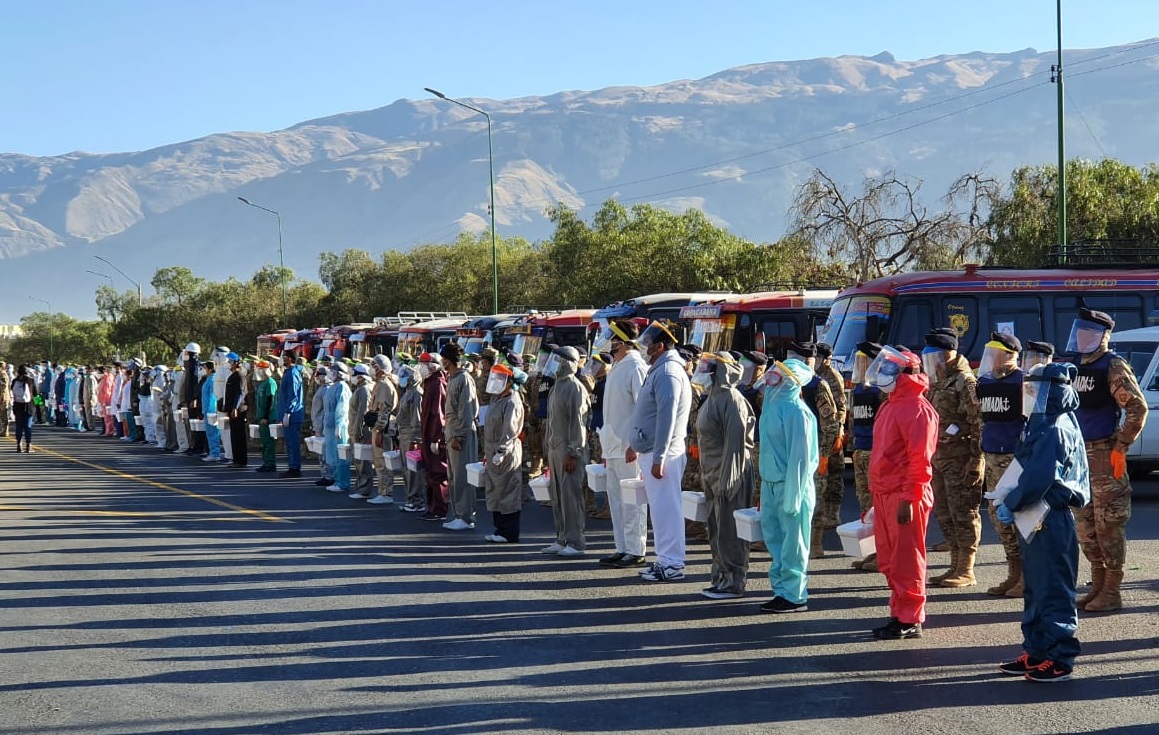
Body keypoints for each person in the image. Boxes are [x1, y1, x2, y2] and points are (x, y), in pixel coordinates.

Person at [994, 362, 1090, 682]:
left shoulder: (1054, 427)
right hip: (1033, 512)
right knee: (1036, 586)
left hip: (1049, 513)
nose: (1029, 395)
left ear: (1051, 392)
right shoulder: (1041, 424)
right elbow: (1025, 465)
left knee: (1054, 587)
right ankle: (1037, 650)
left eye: (1034, 389)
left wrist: (1010, 500)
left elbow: (1039, 477)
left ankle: (1060, 656)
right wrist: (1010, 495)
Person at [1067, 308, 1148, 613]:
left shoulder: (1112, 365)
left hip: (1104, 455)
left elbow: (1137, 408)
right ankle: (1097, 584)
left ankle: (1112, 590)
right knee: (1085, 526)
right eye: (1079, 331)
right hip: (1079, 456)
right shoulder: (1074, 365)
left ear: (1103, 336)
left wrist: (1120, 447)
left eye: (1088, 332)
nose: (1080, 337)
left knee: (1109, 524)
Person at [867, 346, 938, 640]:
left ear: (903, 372)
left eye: (888, 367)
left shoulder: (918, 410)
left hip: (904, 495)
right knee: (890, 559)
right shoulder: (890, 404)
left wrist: (909, 498)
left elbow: (919, 460)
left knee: (907, 560)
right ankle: (899, 613)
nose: (882, 372)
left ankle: (910, 618)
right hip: (886, 493)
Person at [628, 321, 693, 582]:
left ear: (660, 346)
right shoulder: (660, 369)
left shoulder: (668, 373)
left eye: (648, 346)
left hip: (663, 452)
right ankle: (665, 559)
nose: (645, 350)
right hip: (654, 449)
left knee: (668, 509)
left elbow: (667, 418)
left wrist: (659, 457)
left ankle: (673, 564)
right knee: (660, 509)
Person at [923, 327, 984, 588]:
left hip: (960, 459)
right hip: (938, 457)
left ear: (948, 354)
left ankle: (966, 569)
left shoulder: (964, 381)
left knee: (964, 513)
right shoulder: (939, 380)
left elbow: (978, 422)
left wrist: (976, 459)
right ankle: (954, 565)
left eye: (934, 357)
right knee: (945, 513)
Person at [757, 358, 819, 612]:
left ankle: (795, 596)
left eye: (779, 374)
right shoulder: (772, 405)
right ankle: (781, 591)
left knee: (794, 543)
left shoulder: (797, 411)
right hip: (771, 482)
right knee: (775, 541)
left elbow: (801, 459)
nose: (772, 377)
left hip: (791, 486)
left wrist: (793, 495)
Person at [693, 352, 757, 600]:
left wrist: (728, 480)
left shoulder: (732, 399)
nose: (703, 370)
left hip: (730, 474)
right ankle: (720, 577)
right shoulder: (711, 398)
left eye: (709, 366)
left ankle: (734, 581)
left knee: (730, 531)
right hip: (712, 474)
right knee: (716, 530)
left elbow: (736, 445)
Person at [594, 320, 650, 568]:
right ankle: (622, 547)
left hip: (628, 446)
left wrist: (634, 443)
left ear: (623, 342)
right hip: (612, 444)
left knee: (632, 501)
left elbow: (643, 407)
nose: (610, 342)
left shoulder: (636, 366)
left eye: (614, 338)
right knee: (616, 500)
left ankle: (636, 549)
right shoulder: (617, 364)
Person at [976, 331, 1027, 596]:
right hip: (992, 455)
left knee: (1018, 515)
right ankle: (1013, 573)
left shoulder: (1022, 381)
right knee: (999, 517)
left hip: (1013, 458)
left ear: (1009, 356)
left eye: (995, 355)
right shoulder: (984, 382)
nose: (990, 360)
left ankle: (1026, 578)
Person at [788, 342, 840, 559]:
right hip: (795, 447)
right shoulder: (790, 383)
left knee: (816, 495)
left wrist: (825, 454)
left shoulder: (818, 385)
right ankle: (799, 539)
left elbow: (831, 422)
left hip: (816, 447)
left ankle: (815, 543)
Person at [541, 345, 591, 556]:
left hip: (569, 452)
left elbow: (578, 424)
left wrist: (573, 452)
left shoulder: (574, 387)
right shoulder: (555, 387)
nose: (554, 363)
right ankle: (562, 538)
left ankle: (575, 541)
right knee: (558, 496)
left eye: (558, 359)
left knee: (571, 497)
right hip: (555, 450)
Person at [848, 342, 884, 572]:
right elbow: (854, 419)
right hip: (860, 449)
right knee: (864, 504)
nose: (861, 366)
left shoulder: (880, 389)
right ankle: (871, 552)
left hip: (874, 450)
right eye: (859, 362)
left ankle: (882, 552)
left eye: (865, 361)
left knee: (876, 506)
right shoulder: (858, 389)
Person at [483, 363, 525, 543]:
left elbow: (510, 429)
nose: (497, 381)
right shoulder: (497, 398)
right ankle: (499, 529)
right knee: (495, 490)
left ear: (510, 382)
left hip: (506, 453)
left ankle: (509, 532)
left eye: (501, 378)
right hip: (493, 450)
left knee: (508, 490)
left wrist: (502, 451)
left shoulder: (512, 401)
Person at [441, 343, 480, 530]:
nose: (442, 362)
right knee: (454, 477)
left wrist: (459, 435)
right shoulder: (453, 378)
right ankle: (458, 514)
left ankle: (466, 517)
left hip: (460, 435)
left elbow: (466, 411)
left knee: (463, 476)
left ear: (448, 359)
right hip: (452, 434)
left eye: (443, 358)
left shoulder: (464, 379)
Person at [815, 343, 849, 530]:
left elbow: (840, 406)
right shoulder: (817, 375)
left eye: (820, 357)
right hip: (823, 428)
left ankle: (833, 514)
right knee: (825, 473)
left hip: (833, 429)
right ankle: (827, 512)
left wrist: (838, 430)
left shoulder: (831, 376)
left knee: (834, 474)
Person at [419, 353, 450, 521]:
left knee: (438, 473)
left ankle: (439, 508)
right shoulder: (430, 383)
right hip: (427, 434)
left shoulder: (438, 383)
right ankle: (431, 506)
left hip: (433, 435)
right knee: (430, 473)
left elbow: (439, 414)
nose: (421, 368)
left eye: (424, 364)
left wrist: (436, 439)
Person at [368, 354, 399, 504]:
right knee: (378, 461)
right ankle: (382, 490)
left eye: (374, 366)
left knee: (382, 461)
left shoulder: (385, 385)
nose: (372, 369)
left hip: (383, 428)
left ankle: (386, 492)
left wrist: (379, 429)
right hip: (378, 426)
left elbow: (385, 410)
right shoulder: (379, 384)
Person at [396, 364, 427, 512]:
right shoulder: (407, 392)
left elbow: (417, 418)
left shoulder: (416, 394)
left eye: (404, 376)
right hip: (403, 434)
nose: (401, 378)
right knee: (407, 470)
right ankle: (410, 498)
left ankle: (417, 501)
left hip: (410, 435)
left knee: (414, 471)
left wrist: (415, 440)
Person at [346, 363, 375, 498]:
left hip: (361, 430)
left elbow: (362, 412)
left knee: (363, 461)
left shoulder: (364, 390)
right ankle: (361, 487)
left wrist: (358, 431)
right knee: (359, 461)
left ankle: (364, 490)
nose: (353, 377)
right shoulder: (361, 389)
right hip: (356, 428)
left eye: (356, 375)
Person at [325, 362, 353, 493]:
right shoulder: (332, 386)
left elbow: (342, 407)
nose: (329, 372)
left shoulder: (342, 387)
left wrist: (340, 424)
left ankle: (343, 482)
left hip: (339, 425)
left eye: (332, 370)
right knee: (333, 454)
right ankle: (337, 480)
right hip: (330, 425)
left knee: (341, 454)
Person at [278, 352, 305, 478]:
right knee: (289, 441)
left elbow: (293, 395)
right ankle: (292, 466)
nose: (282, 359)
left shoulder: (293, 373)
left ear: (290, 359)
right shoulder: (288, 372)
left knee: (293, 441)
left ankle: (294, 468)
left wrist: (288, 412)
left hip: (293, 414)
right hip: (288, 413)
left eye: (285, 357)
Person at [253, 359, 279, 472]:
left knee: (268, 441)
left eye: (262, 369)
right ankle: (266, 462)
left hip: (267, 417)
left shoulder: (270, 383)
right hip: (261, 416)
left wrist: (266, 417)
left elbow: (270, 400)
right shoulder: (262, 383)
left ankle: (270, 463)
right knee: (264, 441)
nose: (260, 371)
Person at [311, 367, 334, 486]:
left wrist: (317, 427)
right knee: (322, 452)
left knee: (324, 452)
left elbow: (322, 411)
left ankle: (328, 475)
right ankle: (326, 474)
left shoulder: (326, 389)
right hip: (320, 424)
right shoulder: (323, 388)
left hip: (322, 425)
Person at [225, 353, 248, 468]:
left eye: (230, 362)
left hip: (238, 410)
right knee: (234, 435)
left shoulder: (239, 375)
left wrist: (235, 407)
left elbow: (240, 393)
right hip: (232, 409)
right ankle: (236, 459)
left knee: (239, 435)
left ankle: (241, 460)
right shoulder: (233, 375)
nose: (229, 364)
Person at [181, 344, 204, 455]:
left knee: (196, 423)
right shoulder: (190, 365)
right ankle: (194, 445)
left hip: (194, 399)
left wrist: (194, 398)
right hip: (189, 397)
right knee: (192, 423)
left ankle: (198, 447)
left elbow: (195, 383)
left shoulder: (195, 365)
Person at [200, 360, 224, 462]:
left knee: (213, 432)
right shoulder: (208, 379)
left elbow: (213, 397)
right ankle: (212, 452)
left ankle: (215, 453)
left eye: (204, 368)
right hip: (206, 409)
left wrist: (211, 410)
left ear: (209, 369)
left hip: (211, 410)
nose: (203, 370)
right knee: (210, 433)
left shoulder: (213, 380)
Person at [11, 364, 37, 452]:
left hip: (18, 406)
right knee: (27, 426)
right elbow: (36, 394)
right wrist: (39, 406)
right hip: (29, 407)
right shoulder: (31, 381)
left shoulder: (15, 381)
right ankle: (28, 445)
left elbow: (12, 393)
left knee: (19, 426)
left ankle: (19, 445)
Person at [0, 359, 10, 438]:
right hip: (1, 396)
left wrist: (2, 396)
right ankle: (3, 429)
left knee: (3, 414)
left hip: (3, 397)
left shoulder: (3, 375)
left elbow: (4, 386)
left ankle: (5, 430)